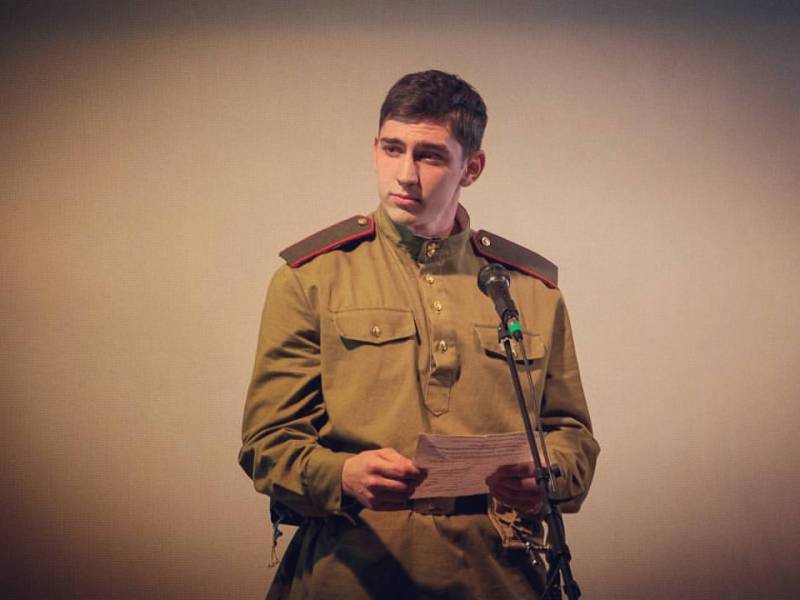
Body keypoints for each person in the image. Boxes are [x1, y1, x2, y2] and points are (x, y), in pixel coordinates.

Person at [239, 70, 599, 599]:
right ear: (375, 149)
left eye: (429, 156)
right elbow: (266, 444)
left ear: (471, 168)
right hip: (352, 571)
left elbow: (573, 437)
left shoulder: (529, 289)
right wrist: (342, 474)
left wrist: (549, 472)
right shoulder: (311, 278)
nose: (405, 174)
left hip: (498, 575)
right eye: (392, 149)